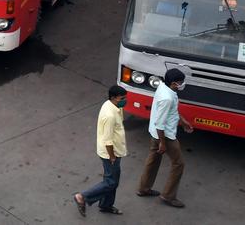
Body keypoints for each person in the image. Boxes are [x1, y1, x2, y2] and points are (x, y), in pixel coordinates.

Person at [137, 68, 193, 208]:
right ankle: (168, 196)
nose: (182, 84)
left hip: (155, 134)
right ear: (174, 83)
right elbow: (160, 124)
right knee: (178, 164)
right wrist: (163, 143)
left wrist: (182, 121)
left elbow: (171, 112)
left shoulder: (162, 87)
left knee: (153, 160)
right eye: (181, 82)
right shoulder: (167, 98)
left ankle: (143, 188)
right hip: (165, 136)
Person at [73, 86, 128, 217]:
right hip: (111, 153)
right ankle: (82, 197)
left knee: (112, 181)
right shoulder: (110, 115)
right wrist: (112, 156)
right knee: (111, 182)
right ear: (113, 98)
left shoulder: (112, 106)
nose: (124, 101)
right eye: (122, 98)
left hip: (114, 151)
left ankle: (106, 205)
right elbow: (108, 140)